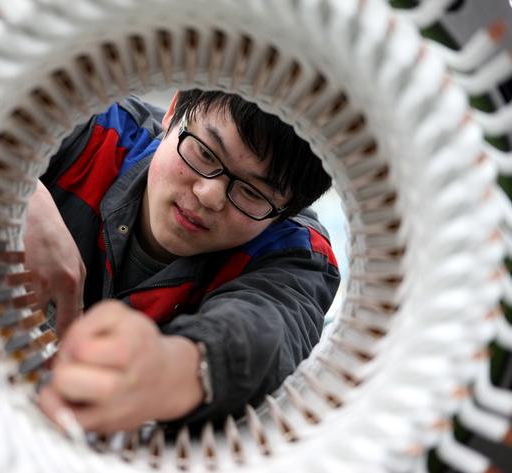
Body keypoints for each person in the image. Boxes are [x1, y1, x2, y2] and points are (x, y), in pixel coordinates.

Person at [32, 89, 340, 434]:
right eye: (205, 153)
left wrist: (166, 367)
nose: (209, 195)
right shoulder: (93, 128)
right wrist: (18, 193)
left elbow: (264, 334)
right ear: (175, 110)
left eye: (252, 193)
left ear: (288, 211)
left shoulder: (297, 256)